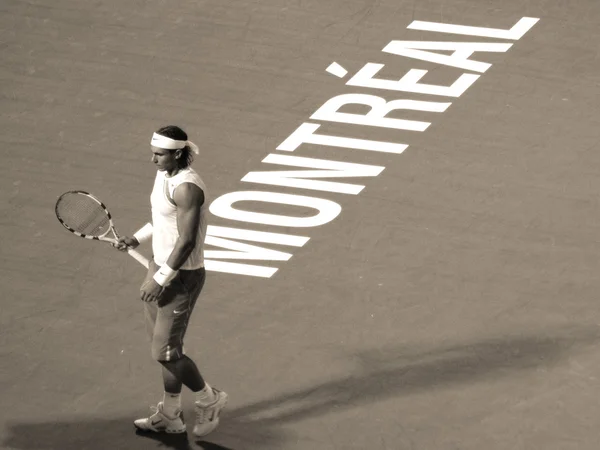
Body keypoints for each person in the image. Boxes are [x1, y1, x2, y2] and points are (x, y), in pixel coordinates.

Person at [115, 125, 227, 437]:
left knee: (164, 352)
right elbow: (161, 217)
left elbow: (187, 241)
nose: (153, 160)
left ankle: (209, 397)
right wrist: (136, 239)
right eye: (153, 153)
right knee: (166, 350)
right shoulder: (164, 175)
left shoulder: (187, 187)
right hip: (160, 268)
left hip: (180, 277)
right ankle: (170, 414)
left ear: (178, 153)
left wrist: (161, 279)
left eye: (159, 154)